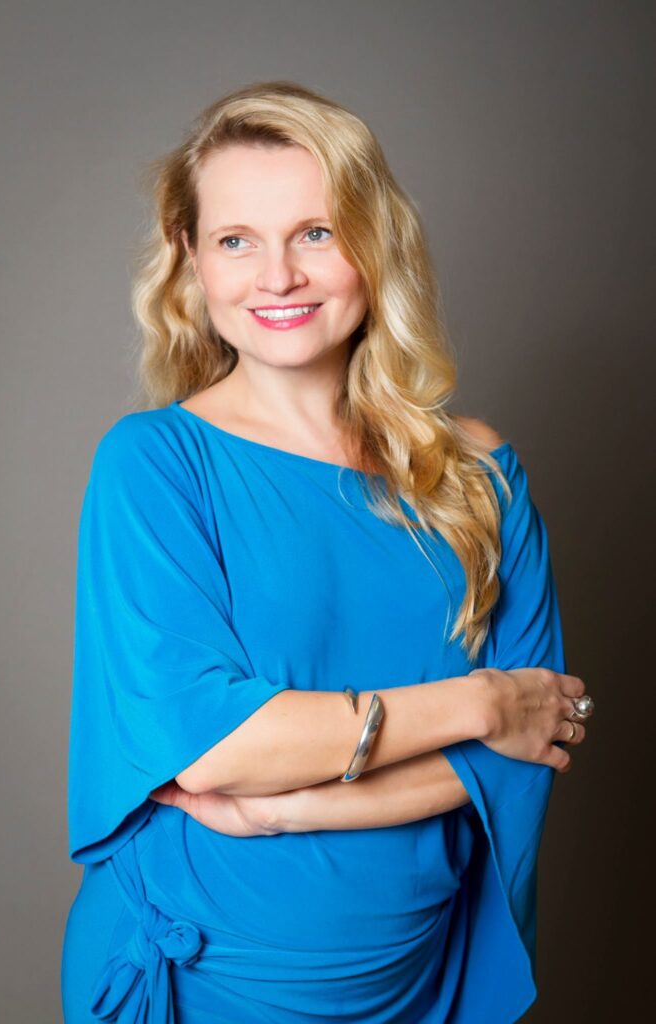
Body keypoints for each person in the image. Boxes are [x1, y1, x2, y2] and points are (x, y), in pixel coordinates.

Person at [61, 80, 594, 1023]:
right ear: (189, 259)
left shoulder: (482, 474)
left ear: (373, 241)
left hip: (423, 972)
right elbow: (218, 749)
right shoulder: (153, 465)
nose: (278, 277)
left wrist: (295, 804)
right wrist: (473, 704)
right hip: (204, 975)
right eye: (236, 241)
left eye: (315, 232)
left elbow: (531, 745)